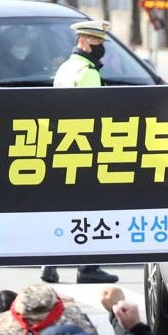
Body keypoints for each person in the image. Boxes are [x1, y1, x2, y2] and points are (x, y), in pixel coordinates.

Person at [44, 18, 119, 285]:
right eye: (97, 42)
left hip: (64, 148)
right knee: (91, 208)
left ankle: (49, 262)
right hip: (86, 149)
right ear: (83, 42)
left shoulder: (65, 68)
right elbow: (94, 115)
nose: (101, 48)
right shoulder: (88, 72)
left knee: (64, 206)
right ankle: (88, 267)